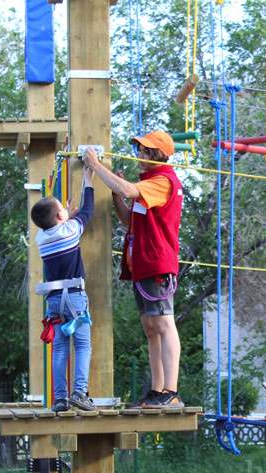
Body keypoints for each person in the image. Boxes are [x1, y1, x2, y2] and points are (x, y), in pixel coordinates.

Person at [82, 131, 184, 408]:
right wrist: (116, 196)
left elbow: (128, 189)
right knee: (151, 327)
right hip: (141, 263)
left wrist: (95, 164)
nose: (139, 155)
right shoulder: (148, 185)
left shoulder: (163, 181)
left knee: (164, 324)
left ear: (157, 155)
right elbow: (129, 217)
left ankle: (170, 391)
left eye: (144, 151)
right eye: (139, 150)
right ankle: (158, 389)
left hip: (156, 262)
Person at [31, 164, 96, 412]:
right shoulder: (70, 231)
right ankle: (80, 392)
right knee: (82, 346)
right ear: (60, 217)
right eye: (62, 209)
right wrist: (88, 177)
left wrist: (65, 216)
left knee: (60, 348)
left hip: (54, 301)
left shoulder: (41, 238)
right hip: (75, 299)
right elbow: (88, 210)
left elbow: (61, 223)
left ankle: (60, 398)